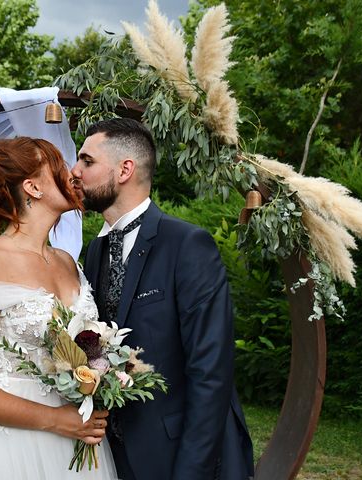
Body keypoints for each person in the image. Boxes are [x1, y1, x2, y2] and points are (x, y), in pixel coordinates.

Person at [71, 118, 254, 480]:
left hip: (181, 456)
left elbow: (211, 373)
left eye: (87, 161)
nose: (74, 171)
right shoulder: (93, 251)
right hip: (113, 456)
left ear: (125, 169)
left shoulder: (187, 245)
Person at [0, 137, 117, 479]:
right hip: (9, 445)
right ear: (33, 187)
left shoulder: (66, 260)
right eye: (60, 168)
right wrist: (54, 420)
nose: (73, 174)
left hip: (76, 438)